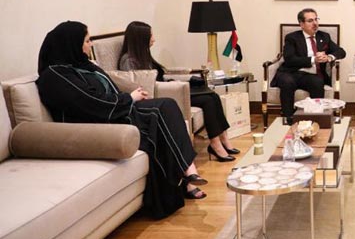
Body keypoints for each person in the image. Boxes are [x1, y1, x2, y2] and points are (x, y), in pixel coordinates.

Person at [36, 21, 208, 219]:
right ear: (71, 44)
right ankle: (188, 175)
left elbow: (110, 89)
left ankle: (189, 174)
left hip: (118, 111)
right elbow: (92, 103)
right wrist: (130, 99)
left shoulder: (84, 65)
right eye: (87, 41)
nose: (91, 45)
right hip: (99, 125)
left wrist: (131, 97)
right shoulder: (55, 77)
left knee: (167, 107)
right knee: (161, 112)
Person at [118, 21, 237, 163]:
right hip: (162, 95)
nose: (154, 39)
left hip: (168, 88)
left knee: (213, 96)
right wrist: (170, 85)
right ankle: (215, 144)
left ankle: (224, 139)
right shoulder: (128, 61)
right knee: (207, 100)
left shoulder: (143, 55)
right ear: (141, 38)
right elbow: (140, 84)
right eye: (151, 36)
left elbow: (160, 75)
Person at [271, 8, 346, 125]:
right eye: (310, 21)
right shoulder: (292, 38)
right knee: (287, 82)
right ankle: (289, 118)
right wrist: (313, 59)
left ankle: (316, 118)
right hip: (291, 72)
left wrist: (329, 57)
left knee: (317, 82)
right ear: (301, 24)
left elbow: (341, 52)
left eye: (316, 19)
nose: (315, 23)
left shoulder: (324, 36)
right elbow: (289, 59)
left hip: (309, 75)